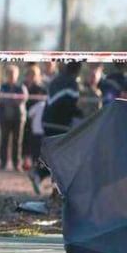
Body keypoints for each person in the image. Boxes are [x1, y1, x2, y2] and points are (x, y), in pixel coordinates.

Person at [28, 61, 83, 194]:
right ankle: (48, 180)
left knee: (54, 154)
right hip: (60, 123)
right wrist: (81, 114)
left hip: (47, 121)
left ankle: (41, 175)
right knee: (61, 156)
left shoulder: (56, 80)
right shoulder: (72, 84)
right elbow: (71, 105)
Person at [0, 64, 28, 171]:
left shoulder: (21, 87)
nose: (11, 76)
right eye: (9, 74)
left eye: (13, 74)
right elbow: (1, 99)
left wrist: (10, 100)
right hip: (4, 118)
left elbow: (22, 100)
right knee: (4, 140)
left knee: (17, 141)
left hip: (18, 119)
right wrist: (12, 100)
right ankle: (3, 162)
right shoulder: (2, 87)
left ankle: (16, 163)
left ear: (17, 75)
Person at [22, 64, 46, 171]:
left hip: (37, 120)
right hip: (24, 118)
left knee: (36, 141)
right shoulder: (23, 87)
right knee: (24, 140)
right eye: (29, 75)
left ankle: (36, 163)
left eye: (33, 75)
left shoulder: (41, 89)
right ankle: (24, 161)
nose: (31, 77)